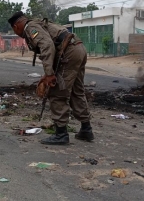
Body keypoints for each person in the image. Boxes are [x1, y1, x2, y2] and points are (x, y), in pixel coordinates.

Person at [8, 11, 94, 145]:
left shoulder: (30, 27)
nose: (16, 32)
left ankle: (61, 134)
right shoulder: (39, 23)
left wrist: (49, 74)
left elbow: (47, 45)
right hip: (78, 48)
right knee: (77, 91)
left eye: (14, 29)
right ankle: (86, 129)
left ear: (16, 26)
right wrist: (49, 72)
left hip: (69, 52)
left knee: (57, 92)